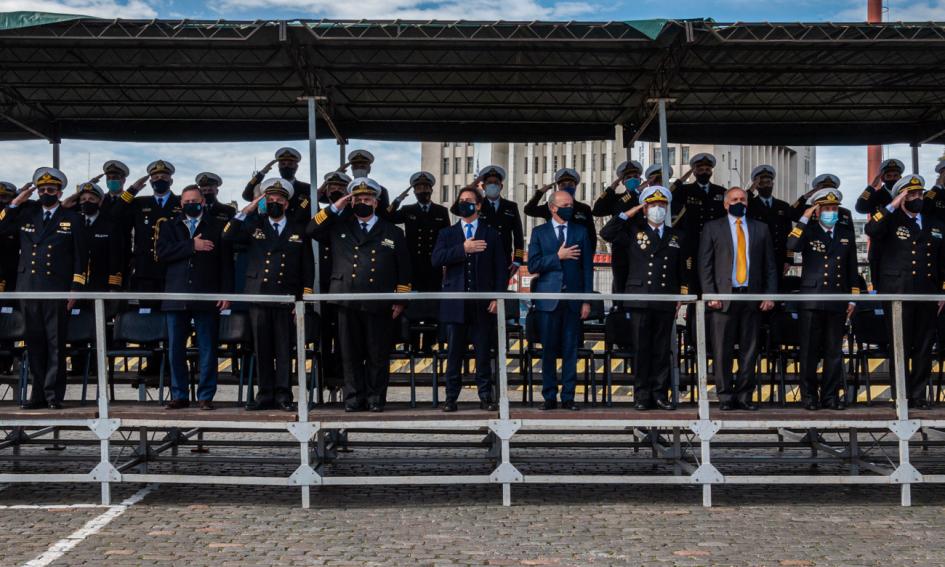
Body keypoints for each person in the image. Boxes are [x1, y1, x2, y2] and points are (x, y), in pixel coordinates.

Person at [307, 177, 412, 413]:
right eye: (357, 199)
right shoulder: (339, 226)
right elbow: (311, 229)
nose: (362, 202)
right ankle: (353, 398)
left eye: (367, 199)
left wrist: (401, 299)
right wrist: (336, 206)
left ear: (375, 203)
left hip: (379, 301)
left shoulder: (392, 231)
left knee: (377, 353)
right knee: (350, 353)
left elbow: (404, 269)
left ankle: (375, 398)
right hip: (347, 299)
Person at [0, 167, 88, 409]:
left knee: (55, 345)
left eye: (51, 189)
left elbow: (81, 257)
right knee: (34, 343)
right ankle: (37, 394)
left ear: (60, 193)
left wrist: (75, 288)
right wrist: (16, 202)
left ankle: (53, 395)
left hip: (57, 290)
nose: (45, 193)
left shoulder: (73, 219)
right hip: (28, 288)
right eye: (41, 190)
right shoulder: (26, 215)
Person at [224, 178, 314, 411]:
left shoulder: (298, 228)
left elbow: (308, 267)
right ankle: (264, 394)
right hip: (259, 295)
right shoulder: (255, 224)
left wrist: (302, 299)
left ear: (286, 203)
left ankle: (284, 395)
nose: (275, 203)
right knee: (261, 348)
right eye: (270, 200)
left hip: (286, 297)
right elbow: (227, 236)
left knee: (284, 349)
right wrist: (247, 210)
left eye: (279, 200)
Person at [600, 186, 690, 410]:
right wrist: (629, 212)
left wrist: (682, 295)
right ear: (644, 208)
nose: (657, 209)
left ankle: (659, 394)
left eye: (661, 205)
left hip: (665, 297)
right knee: (641, 349)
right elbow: (606, 233)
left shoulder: (676, 236)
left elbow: (684, 270)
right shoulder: (633, 231)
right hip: (639, 297)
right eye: (652, 205)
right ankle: (641, 395)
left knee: (661, 350)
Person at [865, 174, 945, 410]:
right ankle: (900, 394)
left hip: (927, 293)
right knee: (900, 344)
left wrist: (942, 292)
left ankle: (918, 395)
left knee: (923, 345)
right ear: (901, 196)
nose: (917, 198)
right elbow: (871, 228)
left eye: (919, 194)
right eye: (911, 194)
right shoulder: (890, 220)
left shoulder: (935, 223)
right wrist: (893, 204)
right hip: (898, 292)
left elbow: (942, 261)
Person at [698, 187, 777, 411]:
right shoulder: (713, 228)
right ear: (725, 204)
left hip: (751, 297)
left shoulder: (760, 229)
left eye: (742, 199)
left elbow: (770, 265)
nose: (739, 202)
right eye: (734, 199)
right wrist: (710, 294)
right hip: (723, 298)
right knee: (722, 351)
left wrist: (769, 294)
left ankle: (744, 396)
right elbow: (705, 265)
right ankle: (724, 397)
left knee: (749, 350)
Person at [155, 185, 233, 410]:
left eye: (195, 200)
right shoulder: (169, 226)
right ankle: (179, 394)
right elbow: (162, 253)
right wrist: (192, 245)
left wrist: (227, 292)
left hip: (207, 294)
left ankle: (205, 396)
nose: (191, 204)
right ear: (181, 204)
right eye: (187, 201)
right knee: (176, 349)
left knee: (207, 348)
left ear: (203, 201)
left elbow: (226, 263)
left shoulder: (217, 226)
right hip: (176, 294)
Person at [431, 187, 507, 412]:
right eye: (461, 200)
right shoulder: (448, 233)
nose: (464, 203)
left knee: (483, 353)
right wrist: (463, 248)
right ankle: (450, 397)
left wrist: (497, 296)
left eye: (469, 200)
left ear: (479, 205)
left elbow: (500, 269)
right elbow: (436, 259)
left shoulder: (491, 234)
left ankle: (485, 396)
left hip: (482, 305)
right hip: (455, 305)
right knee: (454, 354)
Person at [787, 188, 859, 410]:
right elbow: (791, 246)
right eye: (826, 208)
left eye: (834, 208)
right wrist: (804, 218)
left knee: (833, 352)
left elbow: (852, 268)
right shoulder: (808, 231)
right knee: (809, 351)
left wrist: (853, 298)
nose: (831, 211)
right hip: (812, 298)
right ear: (817, 211)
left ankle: (830, 396)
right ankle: (809, 396)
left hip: (837, 298)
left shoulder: (846, 234)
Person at [527, 190, 594, 411]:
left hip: (573, 301)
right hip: (548, 300)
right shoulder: (539, 233)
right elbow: (533, 265)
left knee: (570, 351)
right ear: (553, 207)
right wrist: (558, 257)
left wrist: (586, 300)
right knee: (548, 351)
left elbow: (587, 269)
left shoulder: (581, 231)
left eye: (571, 204)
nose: (570, 208)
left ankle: (568, 397)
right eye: (565, 204)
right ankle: (549, 396)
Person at [387, 171, 451, 352]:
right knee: (413, 304)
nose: (423, 190)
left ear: (431, 189)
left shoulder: (441, 211)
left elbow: (446, 236)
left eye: (425, 187)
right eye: (419, 188)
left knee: (432, 303)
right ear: (414, 191)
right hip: (413, 266)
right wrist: (397, 201)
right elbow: (387, 217)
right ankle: (413, 342)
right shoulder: (408, 210)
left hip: (434, 266)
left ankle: (430, 342)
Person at [453, 165, 524, 279]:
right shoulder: (477, 204)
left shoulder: (511, 206)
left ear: (501, 186)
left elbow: (518, 236)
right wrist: (473, 185)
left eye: (496, 183)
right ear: (483, 186)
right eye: (489, 182)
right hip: (480, 257)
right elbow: (455, 209)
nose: (493, 185)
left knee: (499, 294)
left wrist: (517, 260)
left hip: (503, 259)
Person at [524, 167, 597, 252]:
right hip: (554, 254)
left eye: (570, 184)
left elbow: (591, 235)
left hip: (577, 255)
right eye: (563, 185)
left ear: (575, 186)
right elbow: (529, 210)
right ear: (558, 187)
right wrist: (540, 193)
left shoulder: (584, 208)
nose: (567, 187)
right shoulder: (551, 207)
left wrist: (590, 256)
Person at [74, 182, 124, 292]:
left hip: (102, 285)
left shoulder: (110, 226)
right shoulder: (75, 223)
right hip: (76, 285)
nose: (86, 202)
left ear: (100, 202)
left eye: (91, 199)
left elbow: (115, 257)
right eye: (83, 199)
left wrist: (114, 285)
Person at [746, 164, 794, 278]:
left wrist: (789, 259)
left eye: (769, 182)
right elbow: (740, 204)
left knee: (778, 291)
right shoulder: (750, 205)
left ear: (773, 184)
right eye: (762, 183)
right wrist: (751, 188)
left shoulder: (783, 206)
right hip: (756, 257)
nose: (766, 185)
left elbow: (790, 234)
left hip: (779, 257)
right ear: (757, 186)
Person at [241, 148, 312, 222]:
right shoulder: (270, 187)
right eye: (283, 164)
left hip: (298, 229)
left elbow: (314, 209)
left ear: (296, 167)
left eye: (290, 164)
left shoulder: (307, 188)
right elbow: (247, 195)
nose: (286, 167)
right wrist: (262, 172)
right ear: (278, 166)